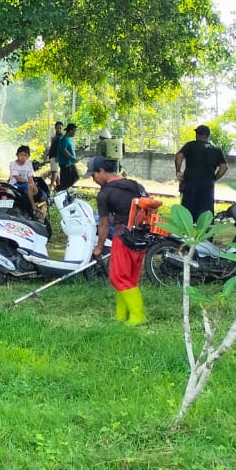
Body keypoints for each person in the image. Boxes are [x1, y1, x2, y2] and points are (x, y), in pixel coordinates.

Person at [91, 156, 148, 326]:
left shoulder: (105, 193)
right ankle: (121, 315)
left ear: (102, 171)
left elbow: (103, 223)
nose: (93, 180)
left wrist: (99, 246)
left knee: (118, 278)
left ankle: (138, 316)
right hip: (141, 238)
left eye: (93, 175)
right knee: (129, 278)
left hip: (123, 238)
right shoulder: (135, 185)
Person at [174, 124, 227, 221]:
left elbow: (179, 156)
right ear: (208, 136)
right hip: (207, 185)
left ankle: (186, 229)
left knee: (187, 212)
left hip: (190, 183)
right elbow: (224, 167)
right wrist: (214, 179)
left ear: (197, 134)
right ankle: (204, 229)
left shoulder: (190, 145)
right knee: (205, 212)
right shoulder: (216, 149)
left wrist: (178, 171)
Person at [54, 123, 79, 191]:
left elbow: (69, 150)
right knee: (66, 182)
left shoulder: (68, 139)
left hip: (71, 163)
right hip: (66, 164)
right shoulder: (63, 139)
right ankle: (61, 190)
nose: (75, 133)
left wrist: (77, 151)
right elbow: (63, 150)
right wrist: (72, 158)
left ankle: (62, 189)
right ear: (70, 131)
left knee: (75, 177)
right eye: (74, 131)